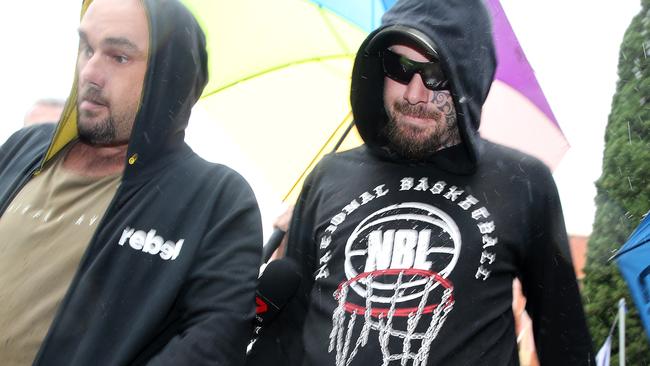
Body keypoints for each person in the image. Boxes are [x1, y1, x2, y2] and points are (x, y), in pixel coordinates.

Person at [249, 0, 595, 365]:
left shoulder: (523, 183)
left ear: (468, 77)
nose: (415, 94)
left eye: (436, 74)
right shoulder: (327, 176)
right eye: (400, 68)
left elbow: (564, 338)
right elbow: (284, 333)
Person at [0, 0, 262, 365]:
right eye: (87, 48)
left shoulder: (215, 198)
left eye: (118, 57)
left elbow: (214, 343)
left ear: (170, 75)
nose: (90, 72)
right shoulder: (22, 147)